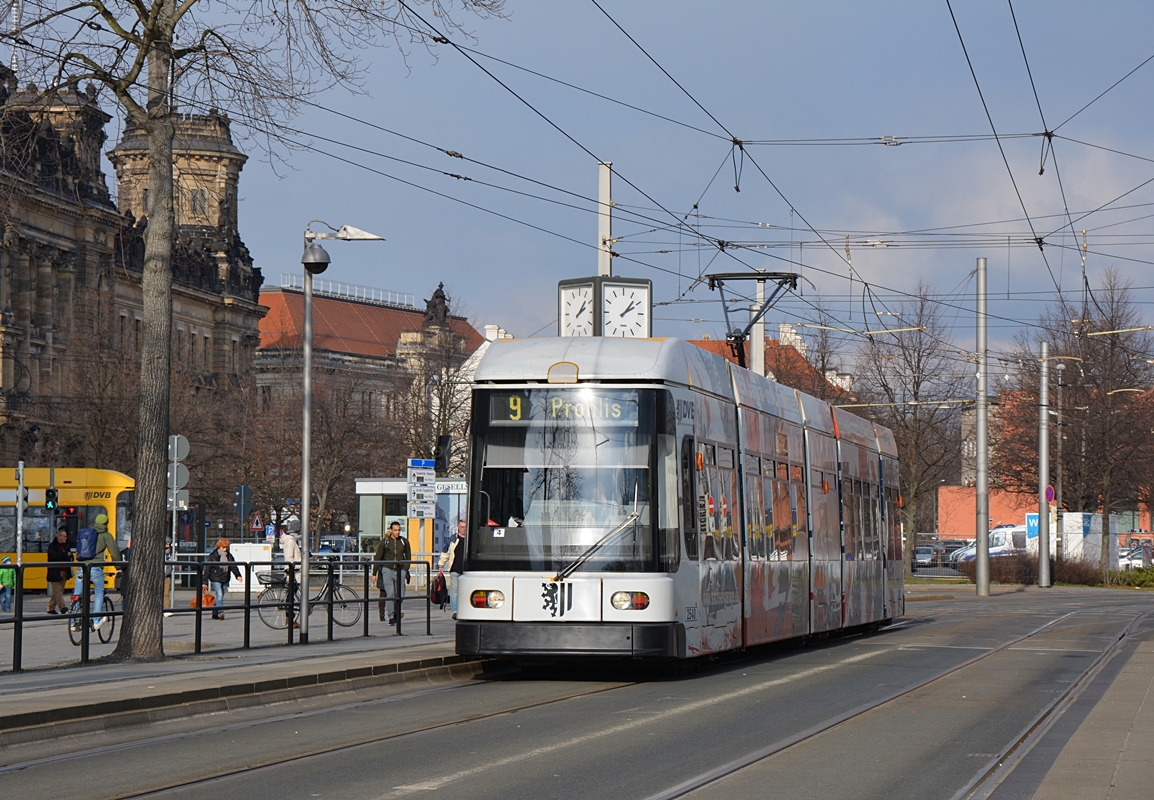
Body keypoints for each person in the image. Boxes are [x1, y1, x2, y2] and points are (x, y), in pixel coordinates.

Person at [73, 513, 120, 631]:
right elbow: (114, 553)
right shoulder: (105, 535)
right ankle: (96, 620)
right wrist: (119, 567)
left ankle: (72, 623)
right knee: (99, 592)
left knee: (77, 594)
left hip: (81, 566)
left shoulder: (87, 533)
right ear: (106, 523)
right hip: (95, 567)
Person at [374, 521, 410, 624]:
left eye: (399, 530)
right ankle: (391, 616)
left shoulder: (404, 541)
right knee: (389, 594)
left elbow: (408, 557)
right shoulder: (385, 542)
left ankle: (396, 611)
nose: (397, 532)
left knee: (400, 594)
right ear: (391, 530)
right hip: (387, 569)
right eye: (395, 530)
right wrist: (374, 573)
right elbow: (378, 557)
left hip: (400, 570)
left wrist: (405, 570)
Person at [205, 538, 241, 620]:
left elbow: (233, 566)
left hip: (225, 578)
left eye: (226, 548)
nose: (224, 549)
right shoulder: (213, 555)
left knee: (219, 596)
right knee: (220, 595)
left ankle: (214, 613)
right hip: (215, 578)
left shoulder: (229, 556)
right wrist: (205, 582)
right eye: (223, 547)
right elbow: (207, 569)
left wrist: (238, 575)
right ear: (219, 547)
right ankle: (220, 611)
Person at [438, 518, 467, 619]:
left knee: (466, 591)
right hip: (455, 569)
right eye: (462, 527)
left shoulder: (471, 540)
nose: (464, 529)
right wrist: (441, 565)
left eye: (465, 527)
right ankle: (455, 611)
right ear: (458, 528)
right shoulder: (453, 539)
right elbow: (446, 552)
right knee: (454, 591)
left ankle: (465, 610)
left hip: (468, 570)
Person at [280, 524, 302, 628]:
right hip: (293, 572)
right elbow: (289, 558)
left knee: (292, 596)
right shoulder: (290, 541)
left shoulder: (293, 540)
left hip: (295, 572)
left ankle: (291, 619)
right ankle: (289, 619)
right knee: (291, 597)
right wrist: (297, 566)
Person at [46, 527, 72, 614]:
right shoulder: (52, 546)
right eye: (64, 537)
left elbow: (70, 556)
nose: (66, 538)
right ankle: (62, 607)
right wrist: (65, 554)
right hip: (55, 572)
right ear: (59, 537)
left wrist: (69, 556)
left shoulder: (66, 546)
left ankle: (51, 607)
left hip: (64, 571)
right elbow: (54, 556)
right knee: (58, 590)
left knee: (60, 590)